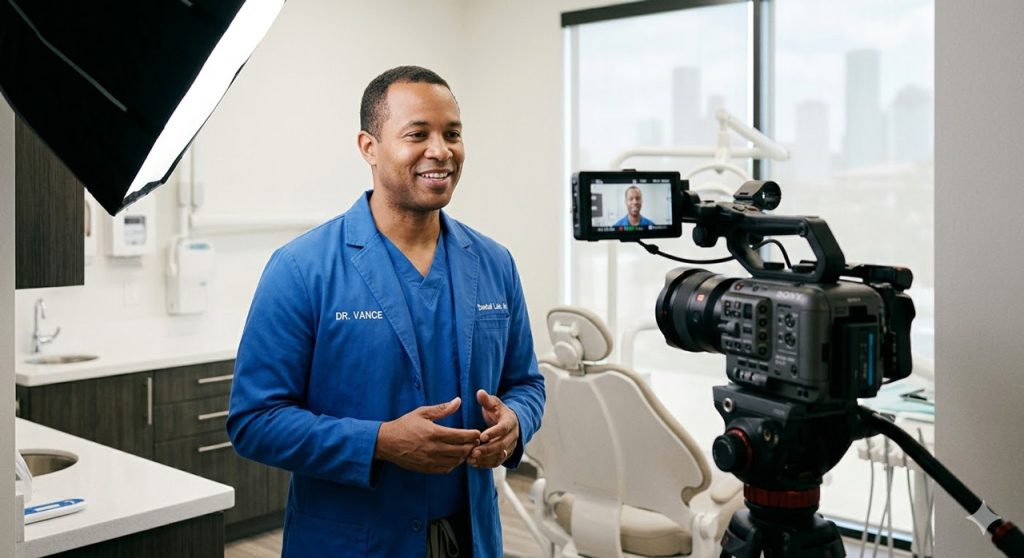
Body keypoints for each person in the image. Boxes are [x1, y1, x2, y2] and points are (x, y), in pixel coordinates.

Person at [226, 66, 545, 558]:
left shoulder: (493, 263)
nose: (441, 151)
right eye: (417, 134)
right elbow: (254, 421)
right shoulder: (302, 268)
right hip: (352, 543)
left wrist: (516, 422)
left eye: (452, 134)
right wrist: (378, 442)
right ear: (369, 147)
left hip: (470, 536)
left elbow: (526, 383)